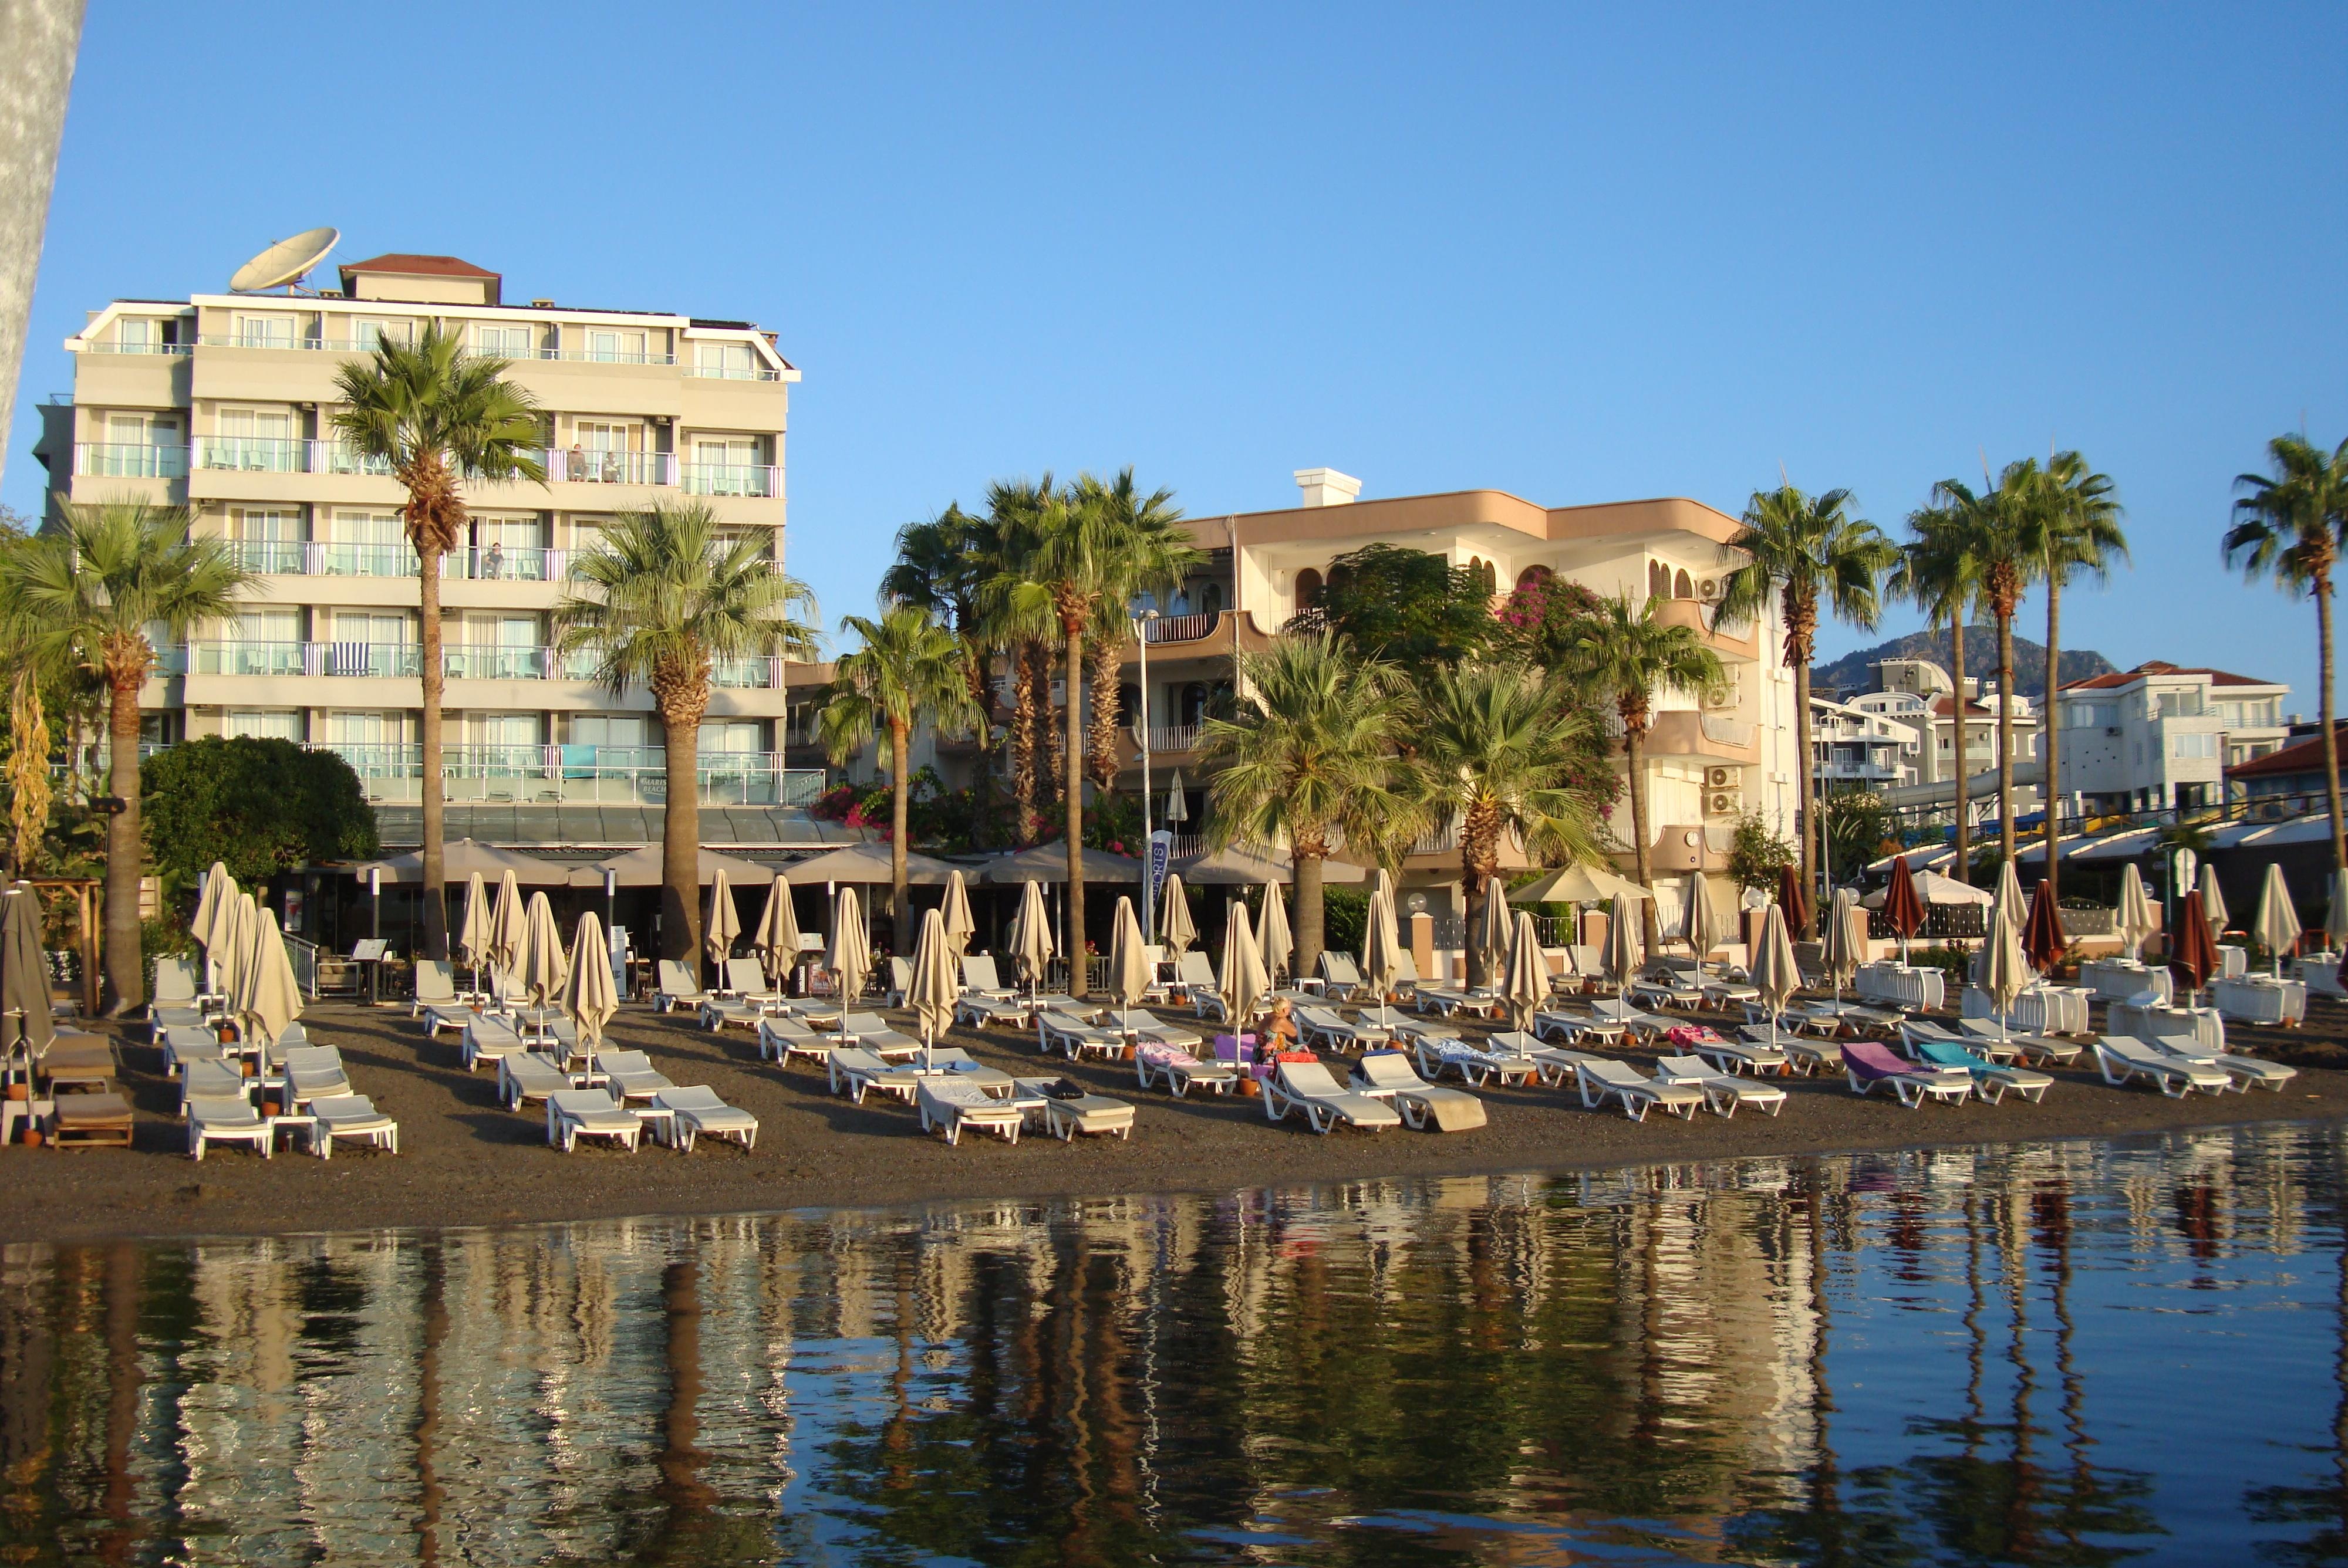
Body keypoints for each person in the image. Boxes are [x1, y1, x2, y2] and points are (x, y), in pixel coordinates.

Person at [1256, 995, 1299, 1066]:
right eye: (1289, 1008)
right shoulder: (1280, 1021)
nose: (1290, 1011)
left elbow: (1273, 1038)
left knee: (1293, 1046)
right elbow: (1295, 1034)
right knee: (1303, 1049)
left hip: (1258, 1053)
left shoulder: (1269, 1016)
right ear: (1285, 1010)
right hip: (1269, 1055)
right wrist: (1285, 1019)